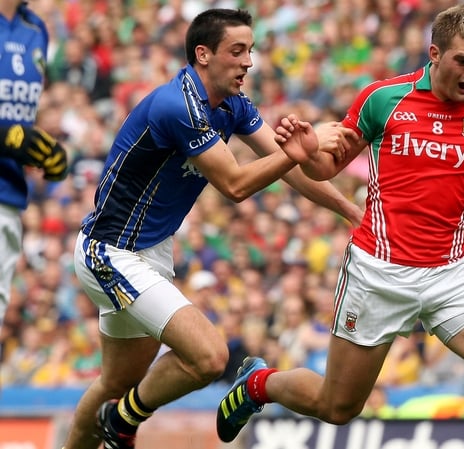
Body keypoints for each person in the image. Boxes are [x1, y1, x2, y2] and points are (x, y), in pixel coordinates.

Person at [215, 5, 464, 449]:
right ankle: (257, 384)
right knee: (336, 407)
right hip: (379, 271)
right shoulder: (383, 98)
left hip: (451, 273)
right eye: (463, 62)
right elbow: (326, 168)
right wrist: (305, 153)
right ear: (434, 54)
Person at [62, 9, 361, 449]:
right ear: (203, 54)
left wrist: (349, 211)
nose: (248, 62)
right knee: (209, 358)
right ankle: (123, 420)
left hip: (150, 252)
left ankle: (118, 416)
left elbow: (289, 168)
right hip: (110, 251)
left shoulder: (233, 106)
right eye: (237, 51)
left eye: (251, 51)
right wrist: (296, 152)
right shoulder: (178, 106)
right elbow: (236, 184)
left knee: (113, 383)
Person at [0, 0, 68, 353]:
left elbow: (17, 114)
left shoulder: (35, 29)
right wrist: (7, 136)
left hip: (9, 195)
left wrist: (41, 149)